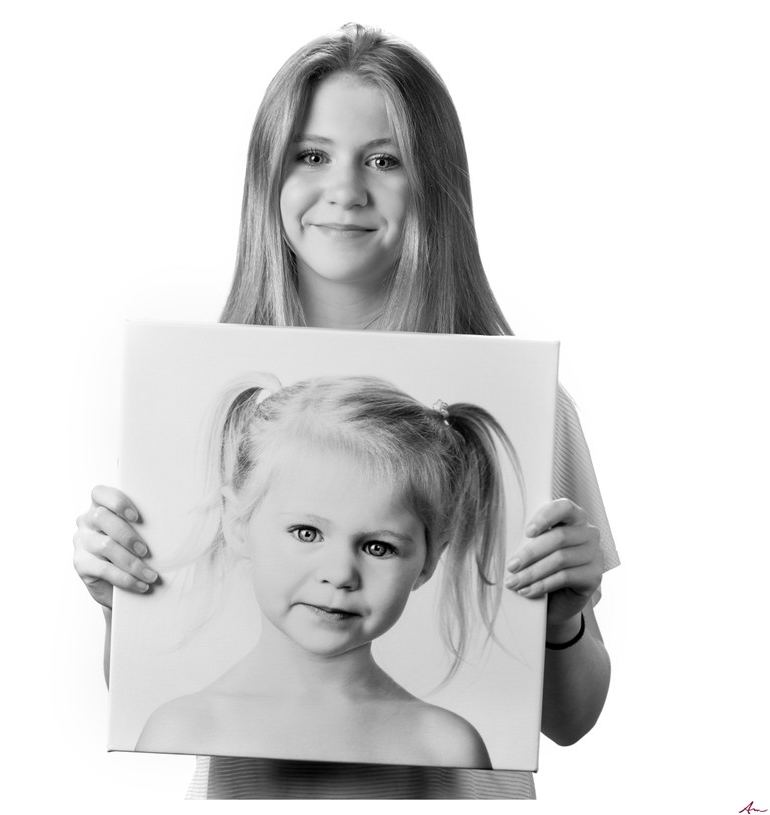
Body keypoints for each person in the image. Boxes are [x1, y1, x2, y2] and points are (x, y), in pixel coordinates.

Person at [73, 23, 619, 799]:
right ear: (269, 176)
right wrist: (117, 601)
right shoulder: (202, 392)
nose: (346, 188)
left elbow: (571, 716)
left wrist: (563, 620)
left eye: (386, 159)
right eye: (311, 154)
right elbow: (132, 688)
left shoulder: (532, 407)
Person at [136, 373, 522, 768]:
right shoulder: (181, 730)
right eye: (307, 533)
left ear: (428, 561)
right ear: (237, 523)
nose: (340, 574)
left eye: (378, 547)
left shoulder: (446, 746)